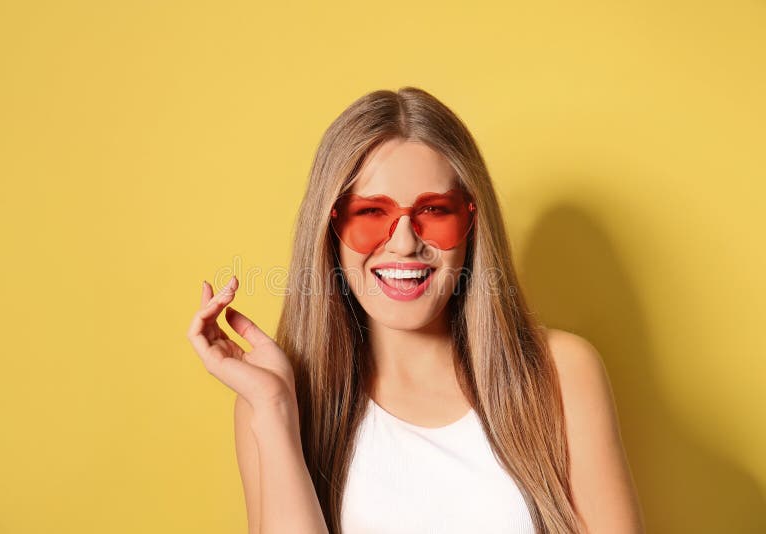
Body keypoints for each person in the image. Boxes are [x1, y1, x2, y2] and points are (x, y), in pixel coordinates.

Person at [186, 87, 645, 534]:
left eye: (433, 210)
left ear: (471, 222)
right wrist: (273, 408)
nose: (404, 242)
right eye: (369, 213)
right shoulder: (272, 405)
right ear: (329, 229)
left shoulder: (560, 373)